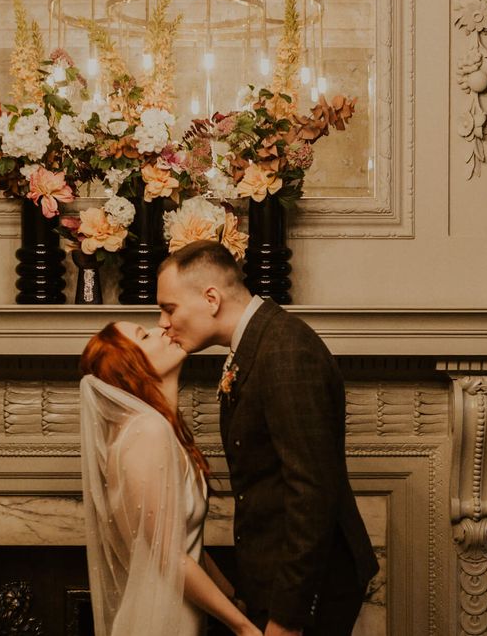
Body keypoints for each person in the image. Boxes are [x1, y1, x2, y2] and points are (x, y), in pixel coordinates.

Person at [156, 240, 379, 636]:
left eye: (169, 308)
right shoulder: (256, 343)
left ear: (211, 298)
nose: (162, 323)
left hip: (311, 591)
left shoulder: (286, 351)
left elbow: (312, 492)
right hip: (273, 578)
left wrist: (287, 617)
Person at [79, 321, 262, 636]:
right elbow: (168, 555)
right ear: (131, 368)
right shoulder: (146, 432)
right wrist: (243, 627)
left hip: (177, 616)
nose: (162, 328)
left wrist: (232, 598)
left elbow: (182, 543)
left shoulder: (160, 430)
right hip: (157, 622)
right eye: (144, 335)